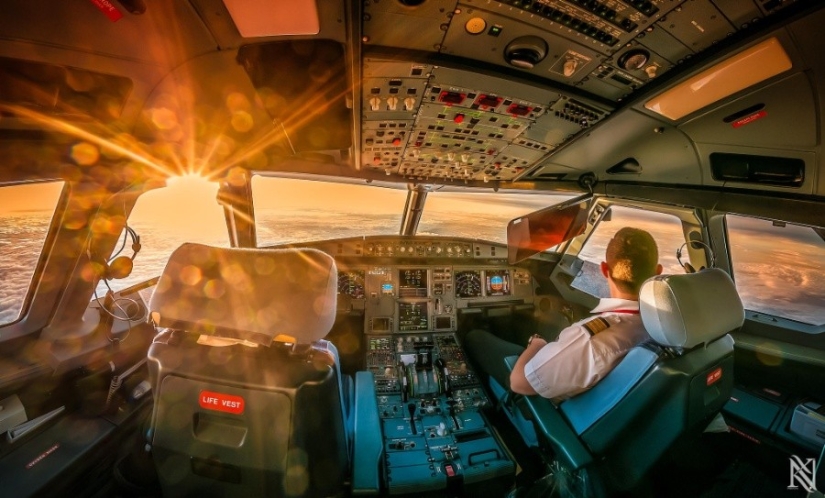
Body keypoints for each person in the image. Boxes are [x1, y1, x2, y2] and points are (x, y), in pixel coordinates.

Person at [464, 227, 663, 402]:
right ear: (658, 271)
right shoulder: (664, 327)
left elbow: (519, 383)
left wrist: (537, 344)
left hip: (549, 412)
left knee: (476, 337)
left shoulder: (590, 341)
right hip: (604, 400)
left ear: (604, 270)